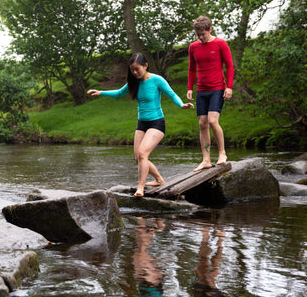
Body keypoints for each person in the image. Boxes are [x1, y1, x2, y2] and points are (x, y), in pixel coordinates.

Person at [88, 52, 194, 197]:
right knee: (138, 157)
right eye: (132, 70)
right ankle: (159, 179)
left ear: (146, 66)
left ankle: (140, 188)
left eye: (137, 69)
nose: (135, 72)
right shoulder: (134, 82)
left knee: (143, 153)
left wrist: (181, 105)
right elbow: (119, 93)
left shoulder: (157, 80)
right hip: (142, 123)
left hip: (156, 122)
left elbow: (172, 94)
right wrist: (100, 92)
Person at [187, 16, 235, 171]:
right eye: (198, 35)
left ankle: (222, 153)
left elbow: (229, 66)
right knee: (202, 123)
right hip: (202, 90)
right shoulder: (193, 47)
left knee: (213, 121)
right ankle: (206, 159)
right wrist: (189, 88)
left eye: (203, 34)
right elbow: (191, 69)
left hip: (217, 88)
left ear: (210, 29)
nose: (201, 38)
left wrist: (229, 87)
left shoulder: (220, 43)